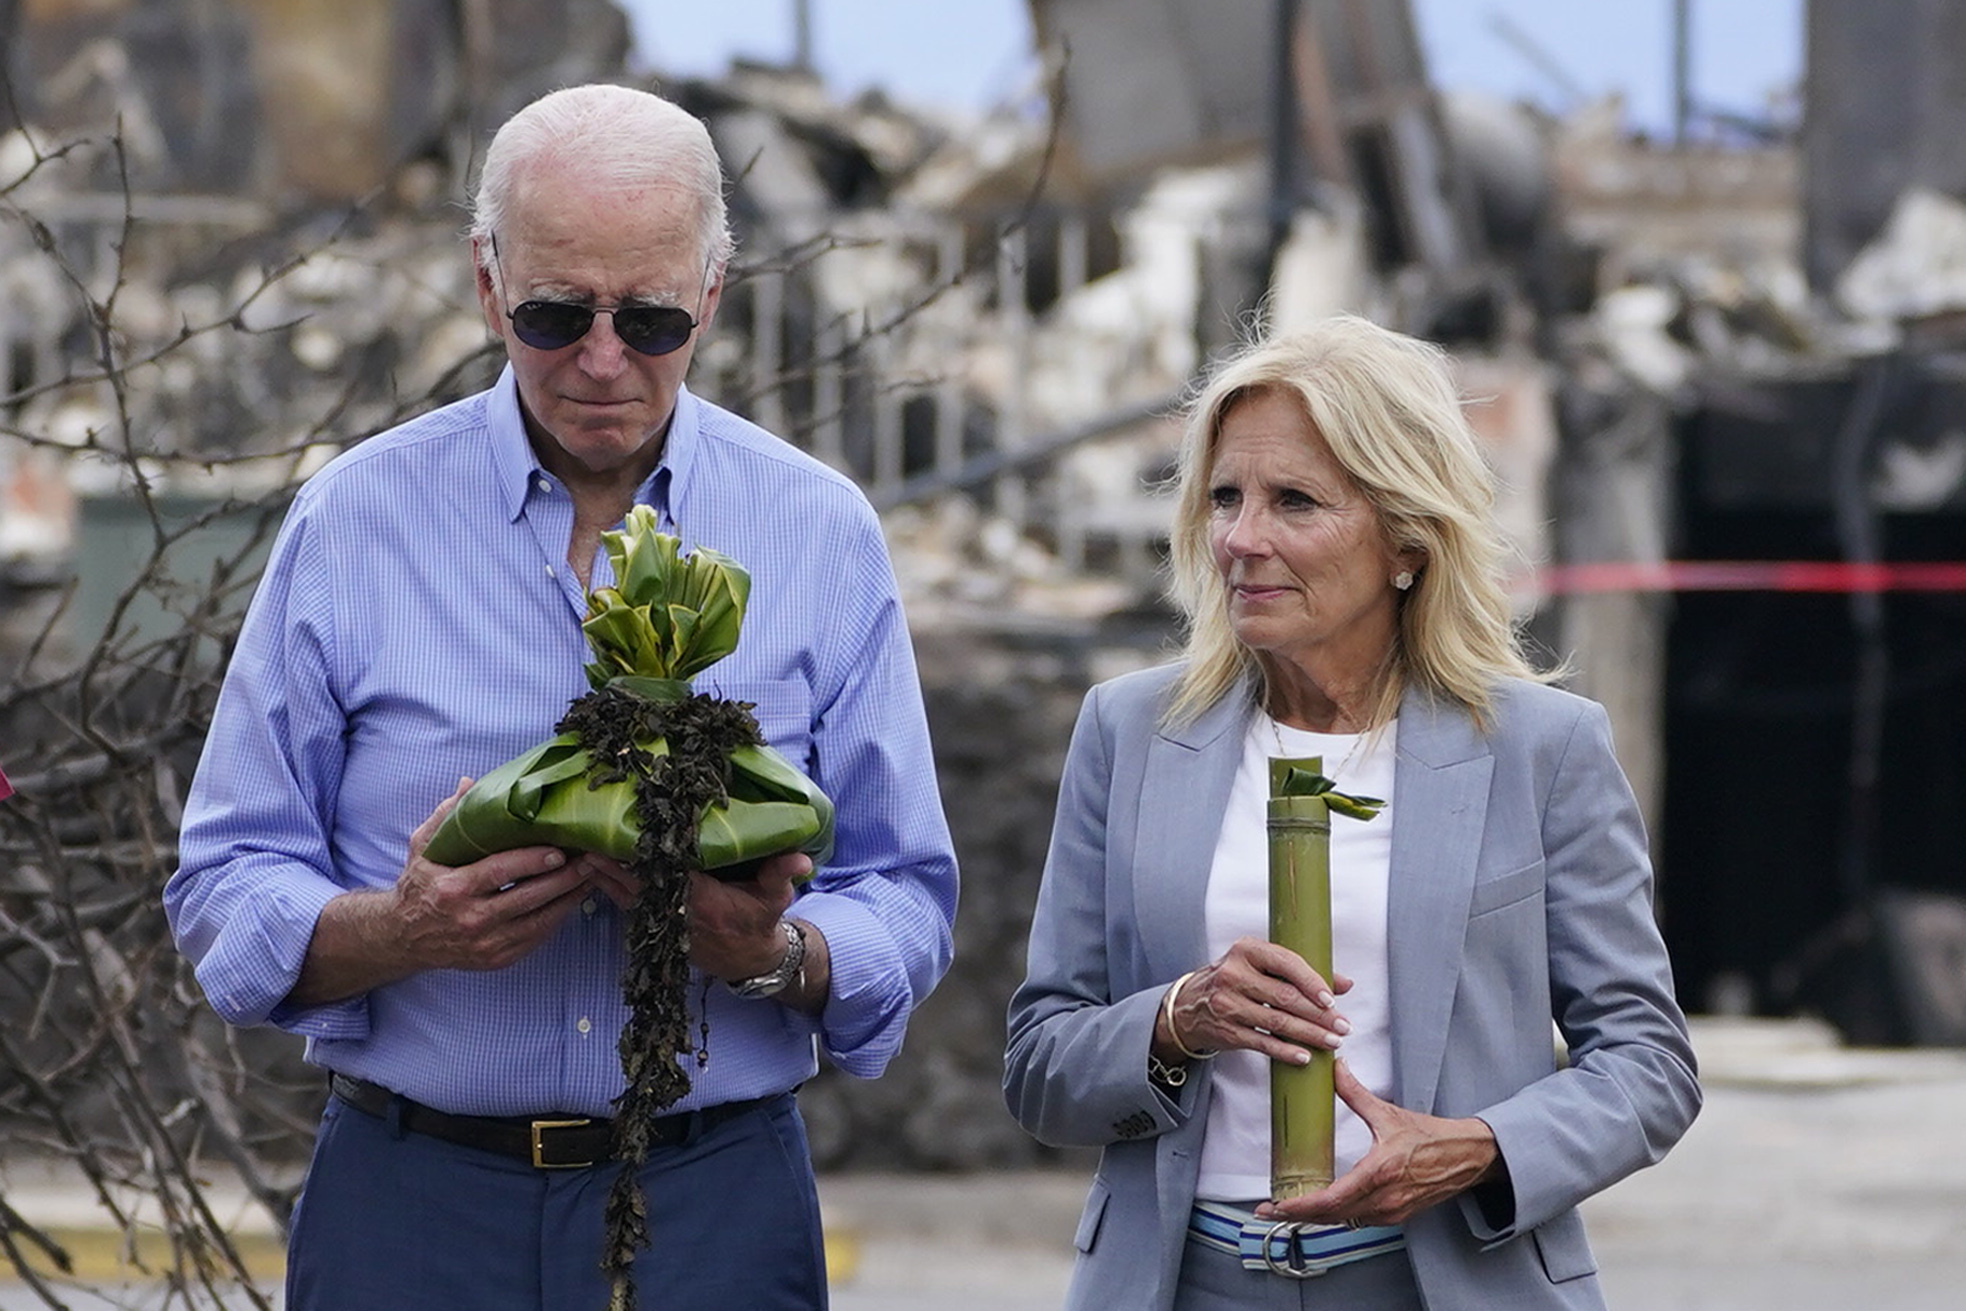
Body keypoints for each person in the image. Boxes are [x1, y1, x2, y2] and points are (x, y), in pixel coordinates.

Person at [166, 83, 956, 1310]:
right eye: (551, 311)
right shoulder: (355, 520)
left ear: (713, 292)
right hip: (413, 1199)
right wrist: (402, 930)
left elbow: (905, 892)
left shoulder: (820, 531)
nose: (599, 360)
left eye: (646, 318)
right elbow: (223, 886)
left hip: (715, 1206)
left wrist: (772, 954)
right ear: (486, 282)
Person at [1004, 316, 1700, 1310]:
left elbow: (1648, 1065)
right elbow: (1039, 1065)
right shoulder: (1128, 730)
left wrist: (1475, 1148)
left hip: (1445, 1282)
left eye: (1295, 501)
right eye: (1225, 497)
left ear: (1405, 539)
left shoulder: (1542, 748)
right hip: (1180, 1284)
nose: (1244, 539)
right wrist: (1173, 1020)